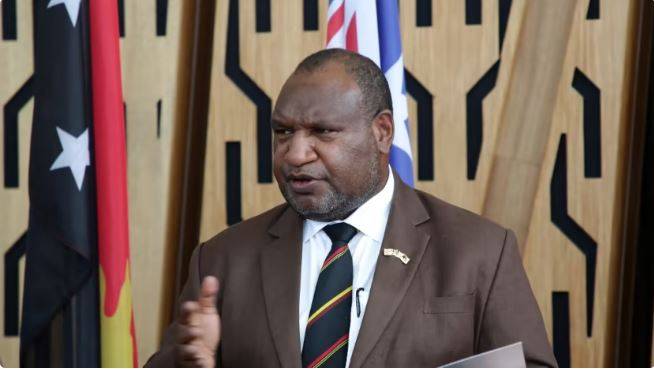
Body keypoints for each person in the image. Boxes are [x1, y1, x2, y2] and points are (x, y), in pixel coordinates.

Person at [146, 49, 557, 367]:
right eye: (283, 132)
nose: (295, 153)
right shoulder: (222, 260)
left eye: (322, 132)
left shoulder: (480, 251)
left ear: (381, 133)